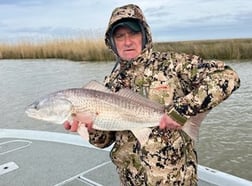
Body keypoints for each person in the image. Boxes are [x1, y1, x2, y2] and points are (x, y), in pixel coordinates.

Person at [64, 4, 240, 186]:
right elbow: (105, 141)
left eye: (133, 33)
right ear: (112, 42)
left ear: (145, 35)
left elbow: (227, 77)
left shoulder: (172, 64)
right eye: (120, 36)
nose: (127, 41)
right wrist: (91, 129)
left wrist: (181, 110)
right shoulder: (111, 83)